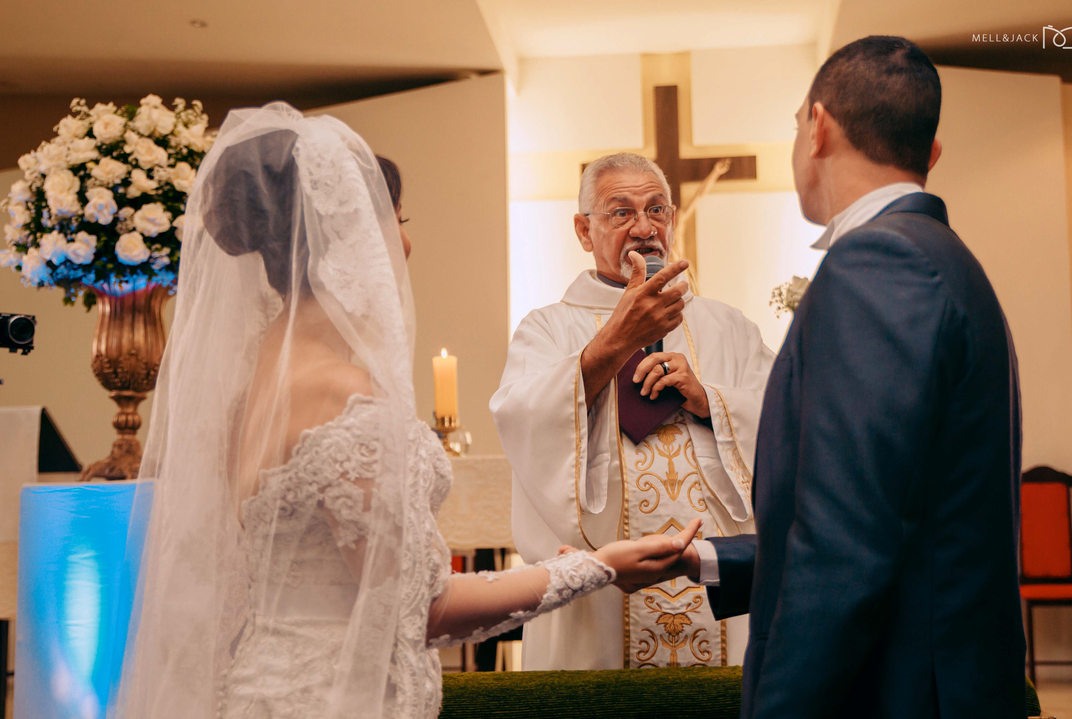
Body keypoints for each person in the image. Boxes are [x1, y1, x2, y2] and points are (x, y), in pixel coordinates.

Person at [112, 103, 700, 719]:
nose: (407, 243)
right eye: (398, 221)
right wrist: (598, 566)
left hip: (266, 685)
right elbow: (424, 608)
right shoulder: (342, 393)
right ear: (351, 240)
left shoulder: (252, 382)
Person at [659, 36, 1026, 717]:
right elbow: (898, 509)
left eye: (796, 124)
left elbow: (847, 541)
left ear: (818, 127)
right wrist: (710, 557)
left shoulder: (878, 262)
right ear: (931, 153)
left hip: (893, 692)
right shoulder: (940, 256)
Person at [490, 152, 775, 669]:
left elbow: (786, 423)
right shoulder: (547, 329)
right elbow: (522, 420)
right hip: (597, 604)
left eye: (656, 209)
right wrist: (614, 344)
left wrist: (710, 400)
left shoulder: (728, 327)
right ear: (584, 230)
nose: (644, 228)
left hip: (716, 591)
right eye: (621, 212)